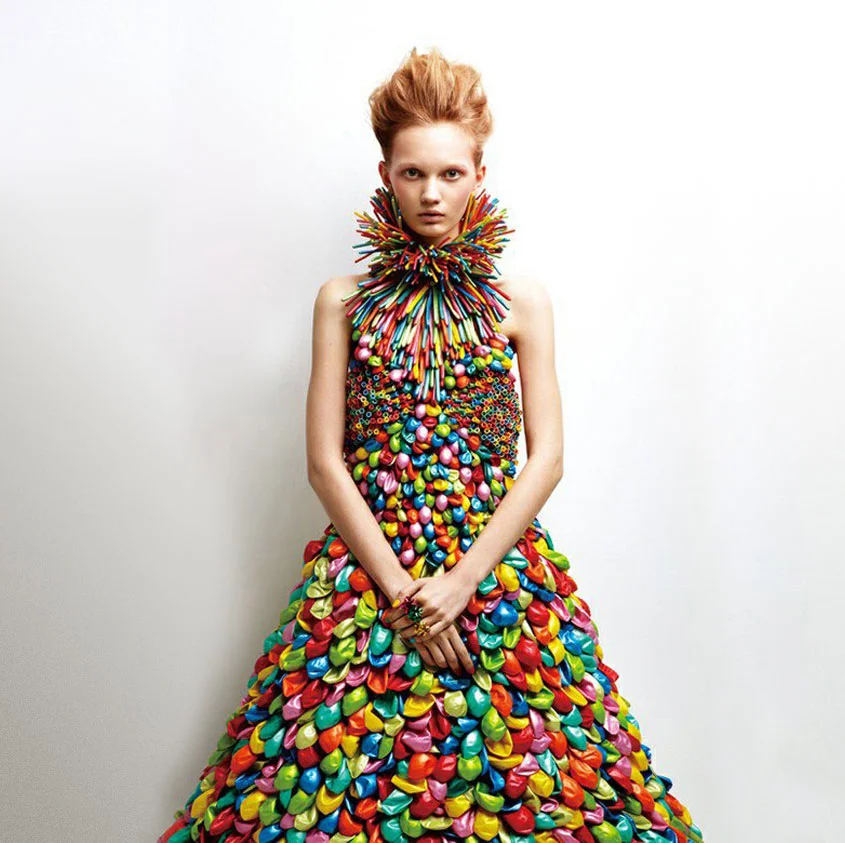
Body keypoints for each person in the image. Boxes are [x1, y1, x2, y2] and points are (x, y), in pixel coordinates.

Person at [158, 46, 704, 843]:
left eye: (450, 173)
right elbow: (324, 462)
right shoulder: (342, 301)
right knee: (318, 795)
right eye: (413, 173)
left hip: (496, 576)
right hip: (367, 576)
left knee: (548, 791)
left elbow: (547, 457)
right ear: (386, 175)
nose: (432, 193)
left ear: (480, 174)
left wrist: (461, 581)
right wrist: (406, 595)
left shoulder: (521, 302)